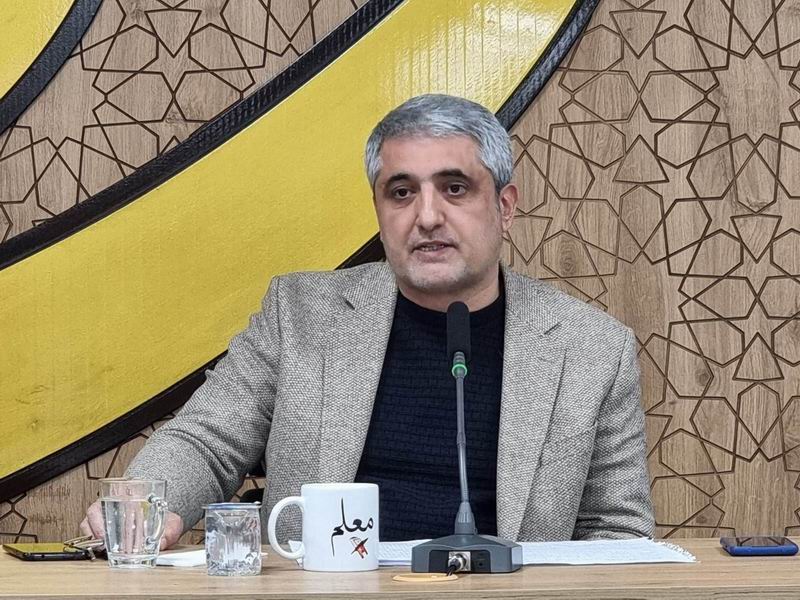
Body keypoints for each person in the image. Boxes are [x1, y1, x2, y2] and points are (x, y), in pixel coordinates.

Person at [81, 94, 654, 547]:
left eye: (454, 189)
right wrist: (145, 502)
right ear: (379, 211)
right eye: (401, 193)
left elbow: (618, 533)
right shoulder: (299, 313)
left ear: (504, 207)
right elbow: (206, 441)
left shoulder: (593, 349)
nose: (426, 216)